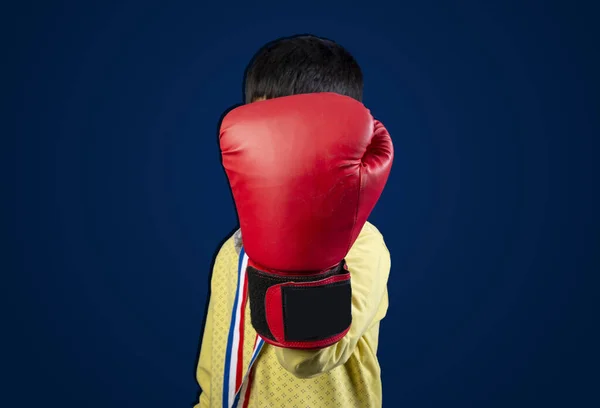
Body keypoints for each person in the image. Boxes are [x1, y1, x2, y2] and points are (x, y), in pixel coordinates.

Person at [194, 34, 392, 408]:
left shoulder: (364, 246)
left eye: (289, 131)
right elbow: (215, 374)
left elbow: (306, 360)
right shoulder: (233, 250)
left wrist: (303, 252)